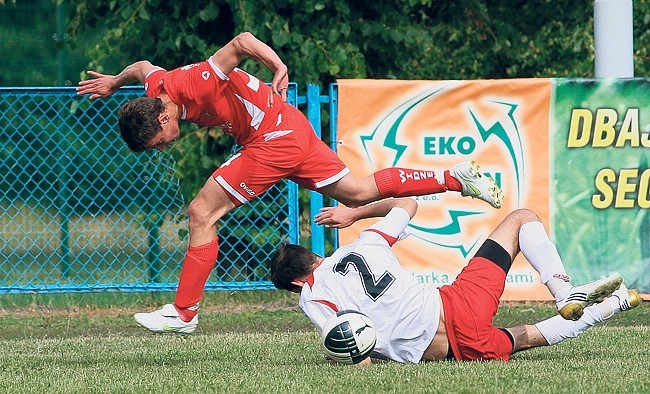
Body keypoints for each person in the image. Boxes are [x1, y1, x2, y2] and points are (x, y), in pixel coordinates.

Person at [77, 32, 503, 334]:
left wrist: (278, 66)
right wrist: (114, 82)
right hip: (287, 131)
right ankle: (454, 177)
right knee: (357, 191)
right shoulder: (155, 89)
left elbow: (241, 42)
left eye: (158, 141)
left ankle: (184, 313)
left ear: (164, 117)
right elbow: (143, 68)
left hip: (272, 139)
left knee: (201, 211)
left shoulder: (194, 83)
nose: (162, 148)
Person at [269, 198, 642, 363]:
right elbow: (407, 204)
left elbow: (349, 344)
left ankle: (615, 304)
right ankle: (564, 291)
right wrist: (354, 213)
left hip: (445, 351)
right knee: (521, 218)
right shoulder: (367, 241)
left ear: (298, 283)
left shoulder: (312, 295)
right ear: (315, 257)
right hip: (457, 302)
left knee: (525, 337)